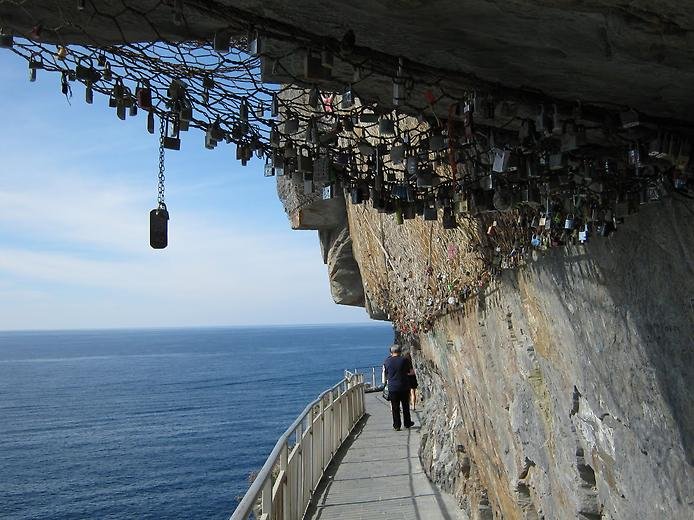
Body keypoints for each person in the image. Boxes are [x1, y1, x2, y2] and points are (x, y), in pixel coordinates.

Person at [382, 344, 414, 431]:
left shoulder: (387, 361)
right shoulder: (404, 360)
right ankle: (407, 423)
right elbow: (409, 371)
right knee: (405, 406)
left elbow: (385, 374)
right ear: (400, 351)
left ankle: (397, 425)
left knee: (395, 407)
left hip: (392, 387)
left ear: (391, 352)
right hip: (403, 386)